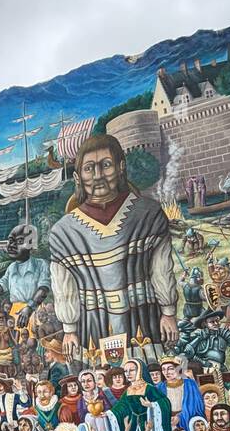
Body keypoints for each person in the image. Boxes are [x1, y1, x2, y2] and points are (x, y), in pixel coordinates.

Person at [44, 134, 178, 356]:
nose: (98, 176)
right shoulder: (63, 232)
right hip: (93, 324)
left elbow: (162, 270)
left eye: (106, 165)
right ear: (78, 177)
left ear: (120, 167)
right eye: (89, 169)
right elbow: (63, 287)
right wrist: (69, 330)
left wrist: (169, 312)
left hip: (144, 318)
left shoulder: (148, 213)